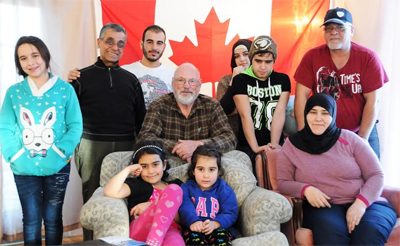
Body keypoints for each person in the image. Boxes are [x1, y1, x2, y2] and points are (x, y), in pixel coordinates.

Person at [277, 93, 396, 246]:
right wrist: (305, 189)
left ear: (333, 115)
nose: (318, 118)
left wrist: (360, 204)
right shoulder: (292, 145)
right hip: (325, 207)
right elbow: (283, 182)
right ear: (305, 114)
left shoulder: (350, 139)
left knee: (368, 234)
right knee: (330, 236)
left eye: (324, 113)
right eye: (313, 112)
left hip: (368, 204)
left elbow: (376, 174)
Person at [0, 36, 83, 246]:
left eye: (35, 55)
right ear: (19, 63)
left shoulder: (65, 90)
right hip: (23, 168)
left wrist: (61, 151)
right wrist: (13, 155)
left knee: (54, 219)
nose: (31, 62)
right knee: (31, 220)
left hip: (58, 166)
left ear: (45, 56)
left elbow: (75, 125)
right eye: (23, 58)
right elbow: (5, 128)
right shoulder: (14, 93)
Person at [70, 23, 146, 240]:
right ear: (99, 43)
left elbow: (141, 120)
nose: (115, 47)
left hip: (126, 147)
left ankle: (125, 241)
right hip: (90, 146)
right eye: (110, 41)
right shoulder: (80, 78)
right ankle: (90, 242)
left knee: (126, 195)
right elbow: (68, 116)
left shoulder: (131, 80)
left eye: (120, 43)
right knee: (92, 198)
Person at [294, 7, 387, 159]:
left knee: (372, 177)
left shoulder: (368, 58)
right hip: (323, 133)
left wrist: (362, 139)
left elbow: (373, 101)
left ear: (351, 30)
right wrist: (304, 134)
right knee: (326, 179)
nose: (334, 32)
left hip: (361, 131)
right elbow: (301, 98)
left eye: (340, 27)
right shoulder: (311, 57)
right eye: (329, 28)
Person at [137, 63, 236, 164]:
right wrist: (178, 147)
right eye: (181, 80)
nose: (186, 86)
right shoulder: (158, 106)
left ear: (199, 84)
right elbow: (145, 137)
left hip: (205, 167)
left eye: (192, 81)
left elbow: (230, 138)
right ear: (172, 83)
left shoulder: (212, 106)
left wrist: (199, 145)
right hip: (168, 167)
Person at [104, 140, 184, 246]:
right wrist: (128, 170)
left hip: (171, 229)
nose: (151, 171)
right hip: (142, 229)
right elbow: (110, 191)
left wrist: (153, 205)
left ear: (164, 164)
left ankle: (155, 239)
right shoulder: (137, 185)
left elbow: (184, 217)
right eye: (144, 166)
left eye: (155, 164)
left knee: (174, 189)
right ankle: (154, 239)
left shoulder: (177, 185)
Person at [230, 35, 290, 166]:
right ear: (252, 59)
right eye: (258, 61)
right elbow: (245, 116)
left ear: (274, 60)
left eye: (268, 62)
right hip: (247, 146)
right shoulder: (240, 80)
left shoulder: (283, 80)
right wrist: (255, 147)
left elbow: (279, 113)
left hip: (277, 142)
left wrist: (273, 146)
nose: (263, 66)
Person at [179, 145, 238, 246]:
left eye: (211, 170)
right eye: (201, 169)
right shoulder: (186, 188)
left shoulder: (223, 188)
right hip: (194, 228)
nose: (206, 175)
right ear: (193, 170)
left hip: (218, 228)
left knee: (220, 239)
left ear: (218, 171)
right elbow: (185, 207)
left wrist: (216, 223)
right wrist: (193, 221)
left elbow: (231, 212)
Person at [122, 25, 175, 109]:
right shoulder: (124, 72)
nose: (154, 47)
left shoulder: (174, 76)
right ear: (141, 44)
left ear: (164, 47)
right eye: (150, 42)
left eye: (159, 43)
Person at [217, 39, 252, 138]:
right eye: (237, 56)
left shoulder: (262, 80)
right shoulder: (226, 80)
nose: (242, 59)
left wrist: (238, 108)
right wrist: (234, 79)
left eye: (245, 54)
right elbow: (223, 110)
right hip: (232, 136)